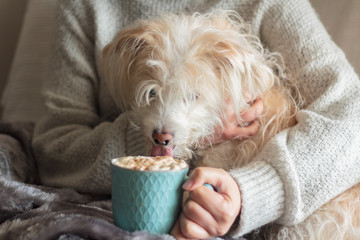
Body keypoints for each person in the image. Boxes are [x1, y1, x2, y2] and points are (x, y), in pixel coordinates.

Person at [32, 0, 360, 239]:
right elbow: (55, 148)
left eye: (191, 96)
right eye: (151, 94)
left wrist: (250, 193)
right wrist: (148, 145)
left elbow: (352, 113)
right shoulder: (84, 7)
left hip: (306, 207)